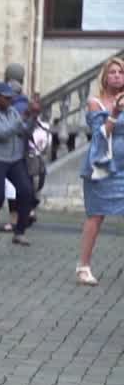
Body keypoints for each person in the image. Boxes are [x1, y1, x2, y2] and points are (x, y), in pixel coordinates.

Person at [75, 57, 124, 286]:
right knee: (96, 215)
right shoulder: (96, 103)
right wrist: (114, 112)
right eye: (112, 72)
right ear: (105, 77)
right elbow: (100, 134)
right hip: (102, 166)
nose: (117, 76)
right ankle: (83, 266)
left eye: (120, 72)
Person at [0, 82, 39, 246]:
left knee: (26, 191)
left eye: (11, 97)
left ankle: (19, 233)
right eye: (6, 98)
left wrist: (33, 117)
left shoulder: (13, 112)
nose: (10, 101)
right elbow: (2, 133)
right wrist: (24, 117)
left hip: (15, 159)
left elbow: (25, 131)